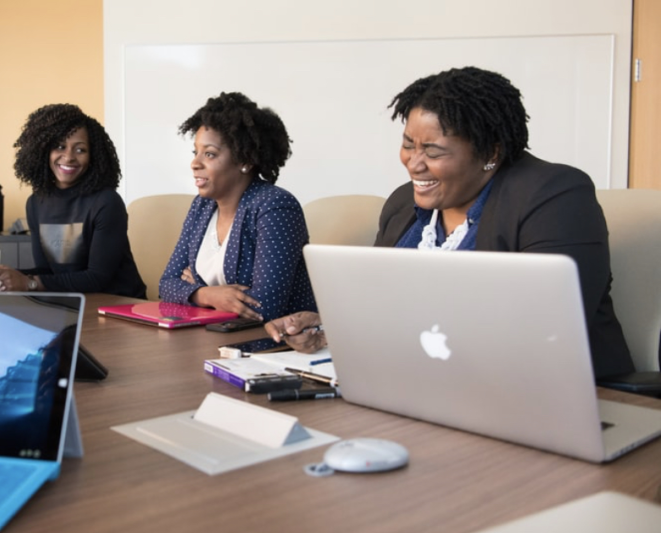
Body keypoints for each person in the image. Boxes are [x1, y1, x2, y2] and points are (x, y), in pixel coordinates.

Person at [265, 66, 634, 380]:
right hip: (422, 385)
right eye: (409, 144)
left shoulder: (553, 196)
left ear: (490, 153)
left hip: (551, 397)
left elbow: (546, 331)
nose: (414, 163)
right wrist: (331, 329)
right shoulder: (402, 205)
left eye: (434, 151)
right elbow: (382, 307)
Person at [158, 92, 316, 322]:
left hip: (272, 343)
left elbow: (263, 306)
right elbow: (166, 285)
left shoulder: (274, 207)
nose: (195, 163)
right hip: (212, 337)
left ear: (245, 160)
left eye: (209, 154)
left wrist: (195, 287)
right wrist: (207, 294)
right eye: (196, 152)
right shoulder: (202, 206)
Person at [0, 103, 146, 298]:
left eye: (80, 150)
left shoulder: (106, 202)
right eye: (60, 147)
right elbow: (47, 272)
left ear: (93, 156)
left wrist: (28, 282)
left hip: (116, 304)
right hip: (73, 302)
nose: (69, 157)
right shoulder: (36, 203)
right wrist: (4, 278)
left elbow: (97, 278)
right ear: (42, 151)